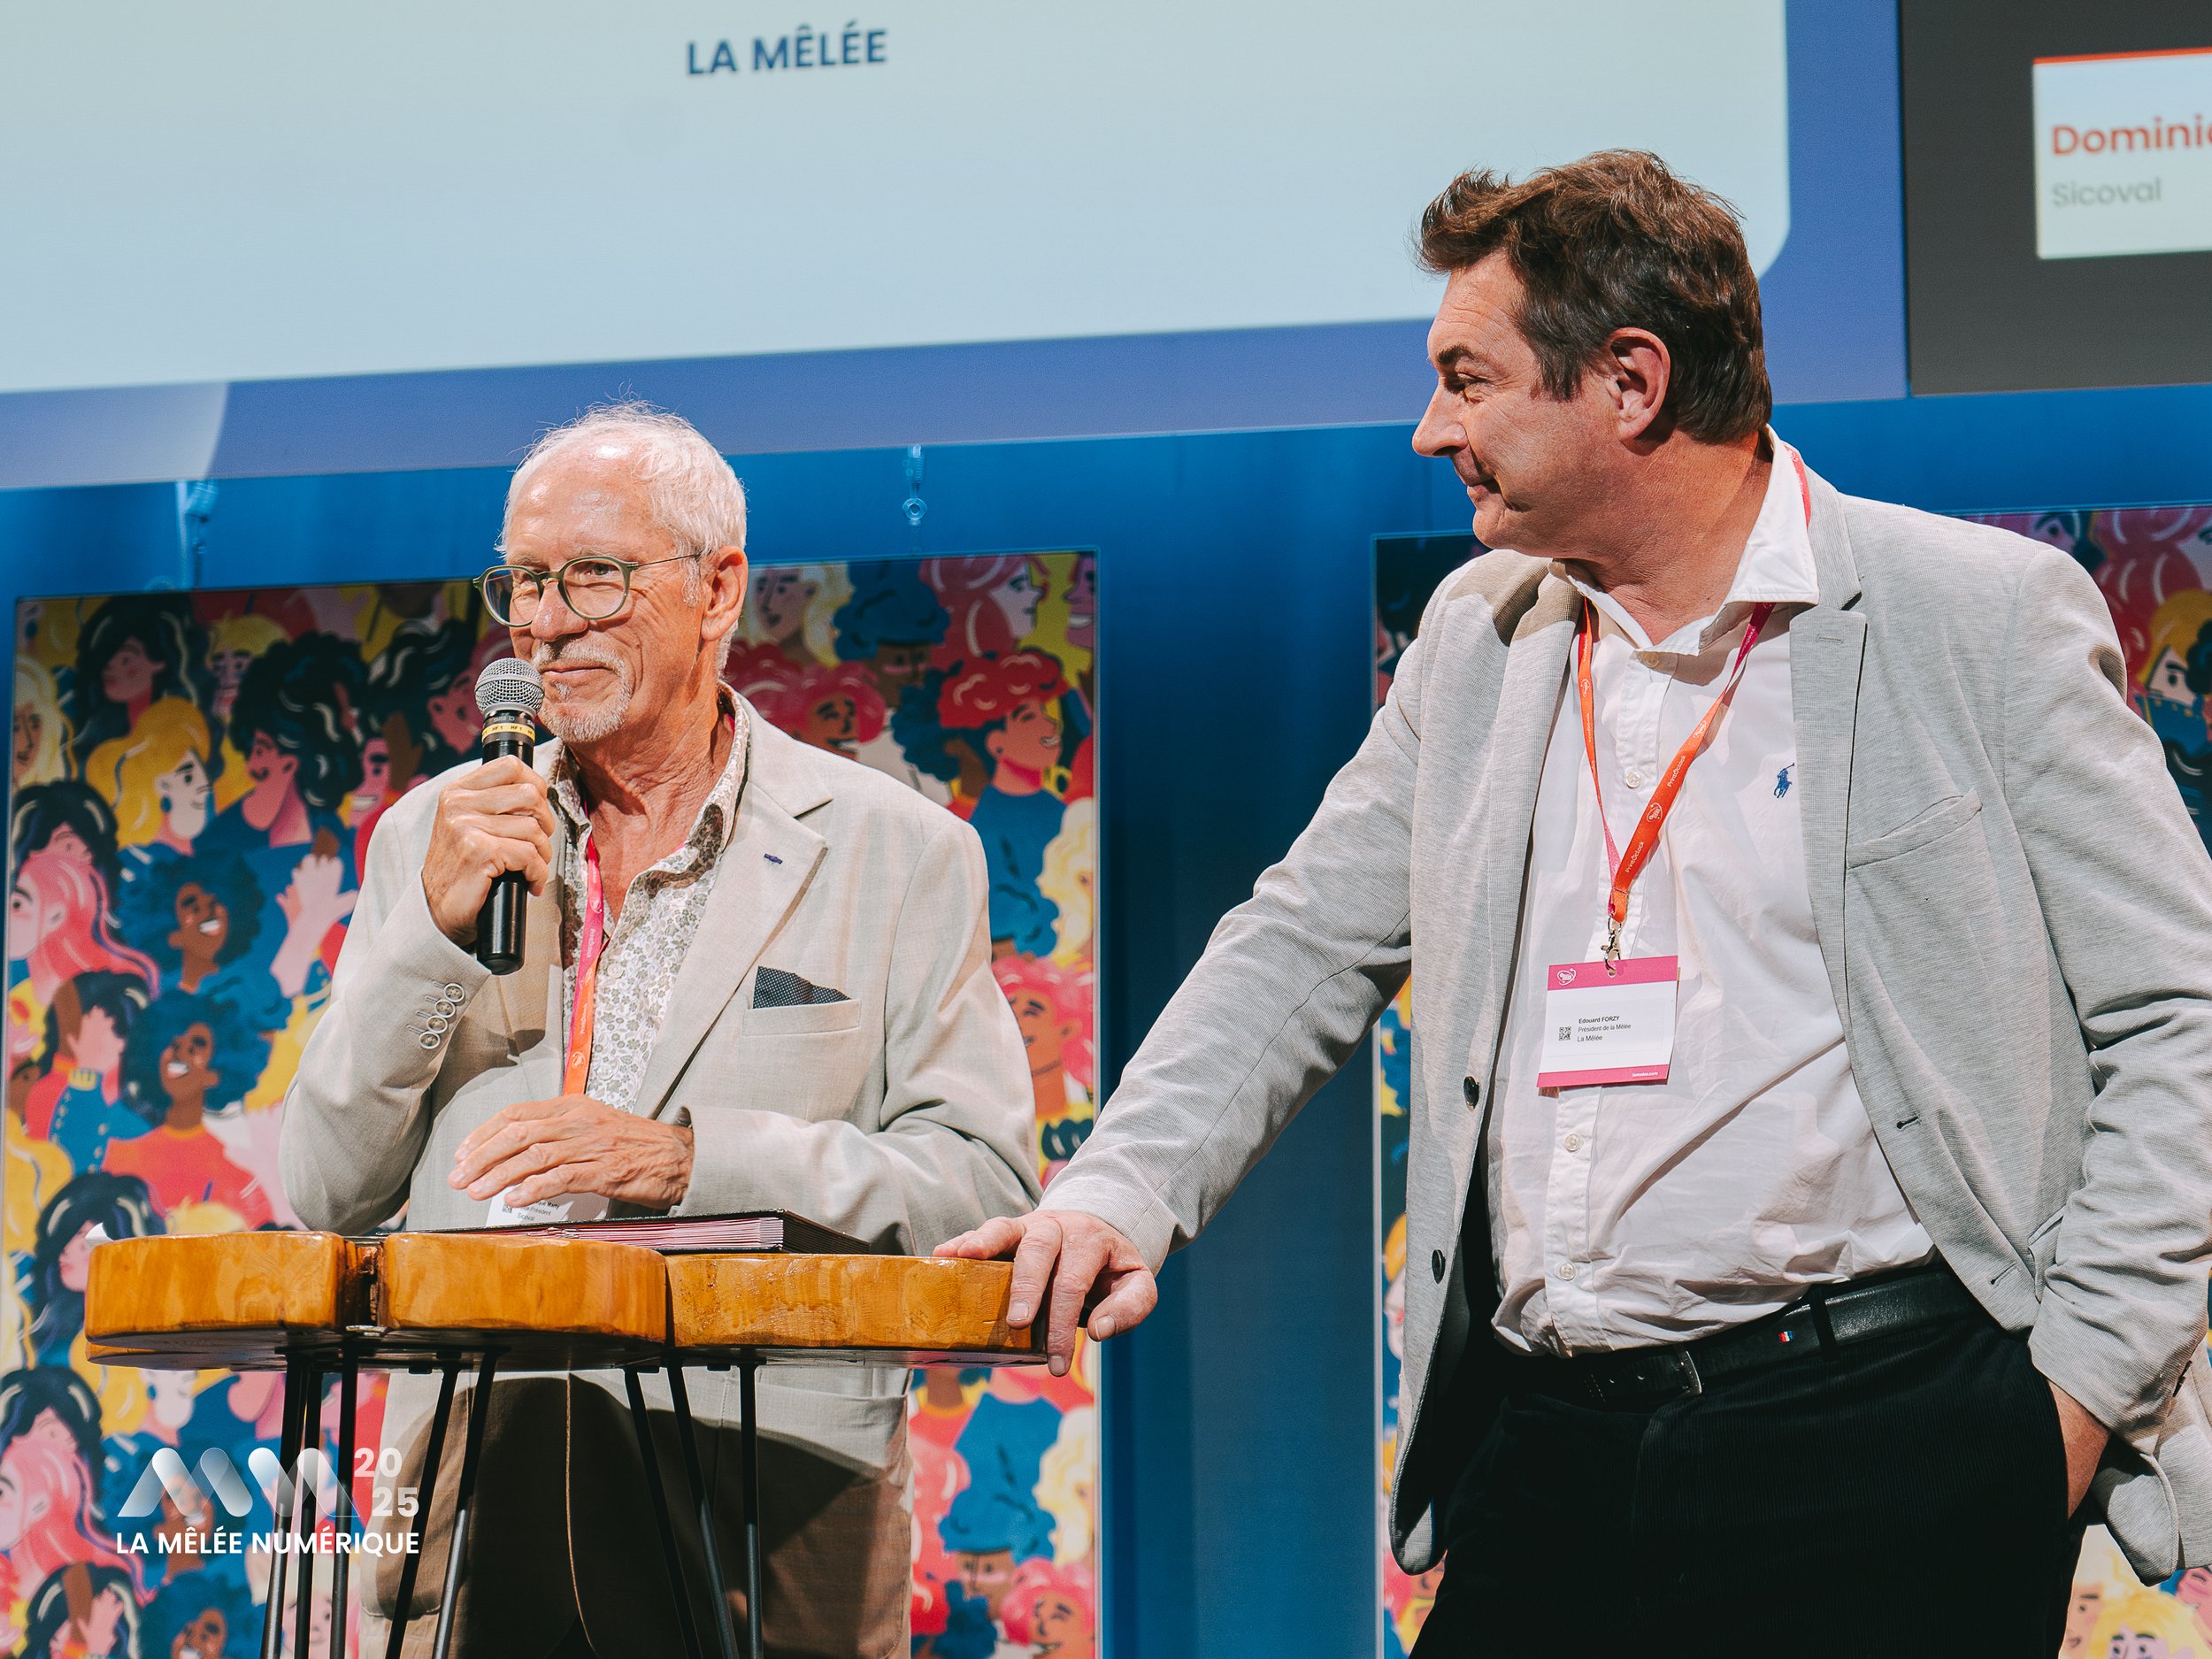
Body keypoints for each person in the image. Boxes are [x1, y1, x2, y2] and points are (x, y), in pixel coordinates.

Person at [942, 150, 2212, 1655]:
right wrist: (1118, 1188)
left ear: (1629, 379)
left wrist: (2064, 1400)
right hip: (1550, 1444)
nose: (1432, 431)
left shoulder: (1974, 617)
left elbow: (2179, 1015)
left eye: (1468, 381)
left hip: (1891, 1427)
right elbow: (1301, 942)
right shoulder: (1478, 643)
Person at [279, 402, 1037, 1659]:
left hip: (766, 1520)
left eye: (595, 575)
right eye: (524, 581)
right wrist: (425, 935)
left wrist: (685, 1159)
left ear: (718, 588)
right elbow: (326, 1190)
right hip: (479, 1510)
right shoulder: (433, 837)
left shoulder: (899, 855)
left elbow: (979, 1188)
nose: (546, 622)